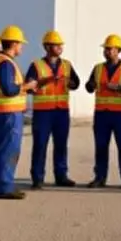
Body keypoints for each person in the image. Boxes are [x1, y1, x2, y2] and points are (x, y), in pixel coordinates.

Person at [0, 25, 38, 200]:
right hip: (8, 112)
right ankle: (4, 186)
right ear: (14, 44)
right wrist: (27, 86)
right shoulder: (5, 63)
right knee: (8, 149)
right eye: (21, 44)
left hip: (0, 111)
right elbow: (9, 89)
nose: (22, 47)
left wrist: (24, 88)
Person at [25, 30, 80, 189]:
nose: (60, 47)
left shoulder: (67, 65)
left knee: (61, 145)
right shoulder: (36, 65)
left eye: (60, 45)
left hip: (61, 111)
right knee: (40, 145)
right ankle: (37, 178)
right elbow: (29, 88)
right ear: (47, 47)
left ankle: (61, 176)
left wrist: (71, 84)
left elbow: (76, 83)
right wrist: (45, 81)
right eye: (56, 45)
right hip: (43, 112)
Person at [85, 34, 121, 189]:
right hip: (101, 114)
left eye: (109, 49)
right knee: (101, 147)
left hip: (120, 115)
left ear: (118, 50)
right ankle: (100, 178)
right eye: (105, 49)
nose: (106, 52)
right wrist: (90, 85)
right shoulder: (98, 68)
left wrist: (119, 88)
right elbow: (89, 87)